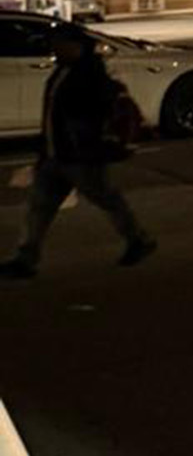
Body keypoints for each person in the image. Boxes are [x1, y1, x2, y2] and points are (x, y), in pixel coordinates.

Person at [1, 20, 153, 278]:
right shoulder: (65, 71)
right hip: (57, 154)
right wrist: (45, 149)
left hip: (80, 157)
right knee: (39, 207)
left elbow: (95, 114)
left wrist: (89, 141)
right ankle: (25, 259)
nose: (55, 47)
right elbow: (53, 115)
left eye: (61, 43)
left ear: (76, 46)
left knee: (106, 199)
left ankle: (138, 240)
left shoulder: (90, 76)